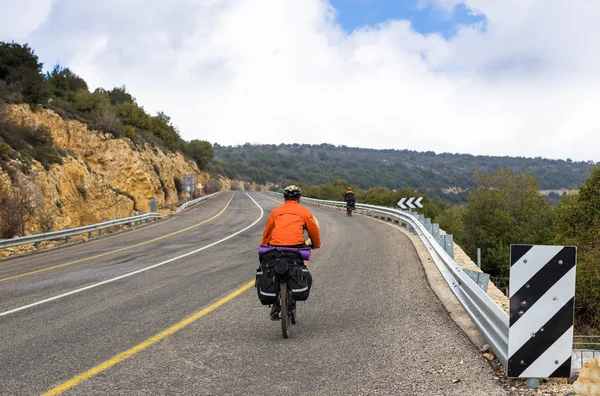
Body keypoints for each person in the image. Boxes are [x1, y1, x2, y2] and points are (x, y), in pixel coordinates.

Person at [260, 185, 321, 319]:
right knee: (302, 268)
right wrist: (316, 244)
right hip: (296, 247)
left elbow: (267, 232)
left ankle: (276, 301)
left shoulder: (276, 211)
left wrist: (265, 246)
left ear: (284, 198)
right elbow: (314, 231)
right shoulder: (304, 212)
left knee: (272, 269)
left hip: (276, 248)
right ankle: (294, 292)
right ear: (299, 198)